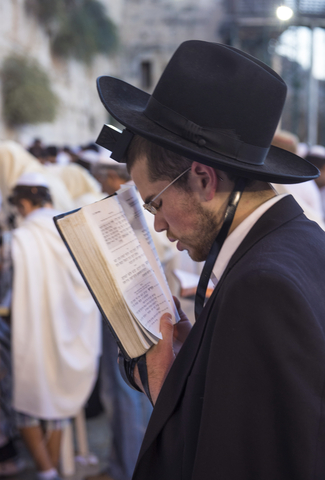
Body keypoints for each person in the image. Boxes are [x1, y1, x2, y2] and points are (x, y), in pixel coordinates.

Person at [94, 40, 325, 479]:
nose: (158, 227)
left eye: (156, 203)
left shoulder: (262, 287)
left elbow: (244, 462)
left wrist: (166, 389)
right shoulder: (303, 239)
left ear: (201, 178)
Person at [8, 172, 101, 480]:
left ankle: (46, 470)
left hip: (30, 329)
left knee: (23, 399)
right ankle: (50, 470)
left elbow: (7, 291)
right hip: (67, 327)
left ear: (23, 202)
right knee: (58, 395)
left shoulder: (20, 238)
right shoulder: (68, 229)